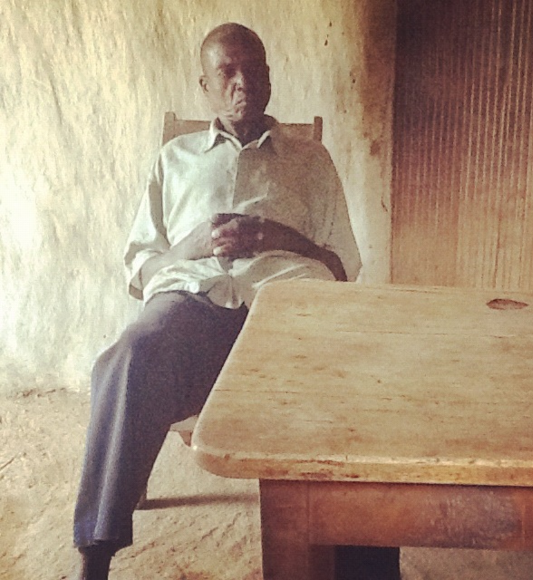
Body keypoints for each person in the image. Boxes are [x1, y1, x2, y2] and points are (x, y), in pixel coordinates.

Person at [72, 22, 398, 580]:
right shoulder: (173, 158)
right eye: (227, 72)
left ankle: (364, 567)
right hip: (192, 303)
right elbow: (140, 268)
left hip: (287, 305)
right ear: (205, 86)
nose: (243, 82)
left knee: (361, 383)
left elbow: (344, 263)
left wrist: (276, 236)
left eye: (254, 70)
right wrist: (191, 245)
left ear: (269, 78)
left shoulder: (311, 159)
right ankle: (95, 554)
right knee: (130, 357)